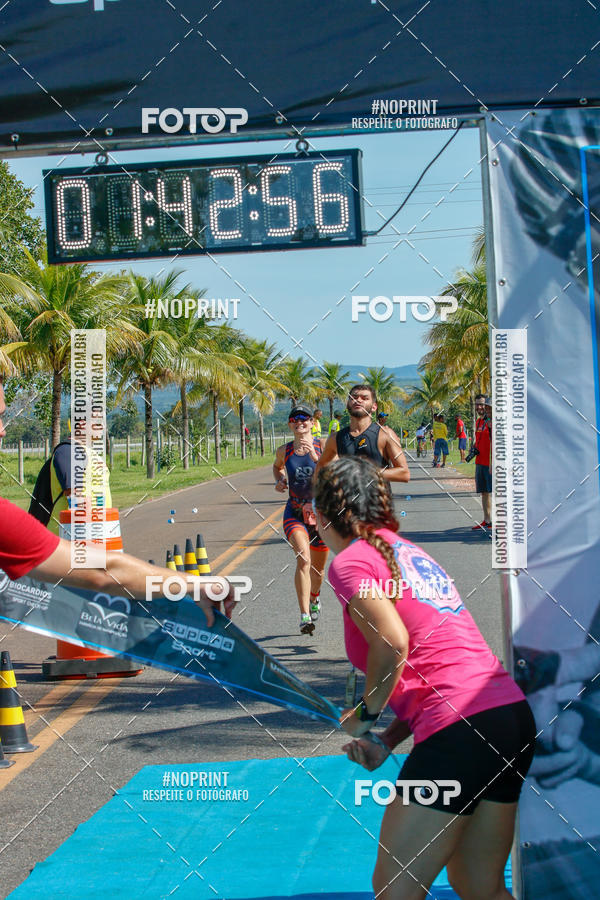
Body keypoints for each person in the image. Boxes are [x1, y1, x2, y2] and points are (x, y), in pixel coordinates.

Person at [312, 456, 536, 900]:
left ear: (322, 513)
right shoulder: (406, 552)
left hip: (462, 731)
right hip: (505, 719)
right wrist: (390, 741)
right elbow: (436, 665)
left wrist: (365, 717)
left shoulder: (351, 562)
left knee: (395, 889)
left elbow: (393, 643)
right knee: (478, 885)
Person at [0, 385, 229, 624]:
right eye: (97, 422)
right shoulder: (68, 453)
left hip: (92, 544)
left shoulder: (88, 454)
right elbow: (78, 501)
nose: (102, 427)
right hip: (66, 545)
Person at [273, 404, 328, 635]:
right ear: (290, 424)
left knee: (318, 570)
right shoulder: (283, 451)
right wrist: (280, 480)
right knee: (303, 560)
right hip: (295, 512)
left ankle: (315, 597)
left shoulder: (323, 446)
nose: (299, 422)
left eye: (304, 418)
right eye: (295, 419)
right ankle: (304, 615)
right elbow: (277, 468)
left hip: (322, 514)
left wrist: (316, 457)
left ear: (312, 423)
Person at [315, 384, 409, 483]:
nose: (358, 400)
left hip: (377, 498)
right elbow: (321, 467)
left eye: (365, 398)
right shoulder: (335, 438)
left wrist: (366, 472)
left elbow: (404, 473)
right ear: (348, 404)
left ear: (374, 407)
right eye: (354, 397)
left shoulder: (385, 434)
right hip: (346, 498)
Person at [472, 395, 492, 531]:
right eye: (477, 404)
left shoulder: (493, 422)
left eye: (482, 404)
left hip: (491, 463)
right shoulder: (479, 422)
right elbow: (478, 439)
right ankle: (487, 520)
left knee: (498, 492)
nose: (479, 407)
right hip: (480, 462)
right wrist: (473, 447)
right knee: (484, 492)